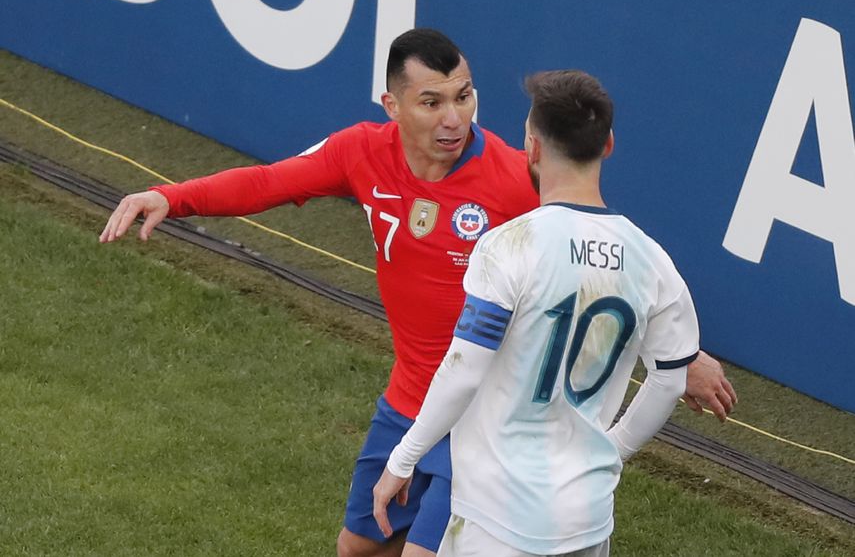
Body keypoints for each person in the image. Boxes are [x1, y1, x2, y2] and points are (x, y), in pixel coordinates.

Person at [99, 30, 736, 557]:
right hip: (407, 401)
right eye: (431, 102)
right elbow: (269, 181)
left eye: (464, 96)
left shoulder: (516, 178)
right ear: (392, 104)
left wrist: (683, 355)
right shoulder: (360, 152)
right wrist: (172, 197)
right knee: (358, 547)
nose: (454, 118)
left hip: (479, 422)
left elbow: (593, 267)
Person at [374, 69, 701, 556]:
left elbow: (463, 371)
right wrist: (612, 452)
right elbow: (670, 381)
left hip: (498, 517)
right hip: (587, 518)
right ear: (608, 144)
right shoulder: (653, 260)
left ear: (532, 147)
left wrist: (403, 459)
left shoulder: (509, 246)